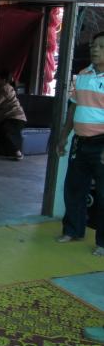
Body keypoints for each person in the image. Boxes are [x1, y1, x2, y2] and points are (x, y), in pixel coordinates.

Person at [56, 31, 104, 257]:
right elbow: (73, 108)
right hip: (80, 141)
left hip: (101, 143)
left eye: (101, 47)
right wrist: (64, 135)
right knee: (74, 188)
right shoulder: (83, 75)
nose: (95, 50)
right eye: (94, 46)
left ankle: (102, 243)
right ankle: (73, 230)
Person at [0, 73, 27, 160]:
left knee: (4, 131)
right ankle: (8, 152)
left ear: (3, 80)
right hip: (10, 118)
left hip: (15, 118)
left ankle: (17, 152)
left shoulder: (5, 88)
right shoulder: (1, 88)